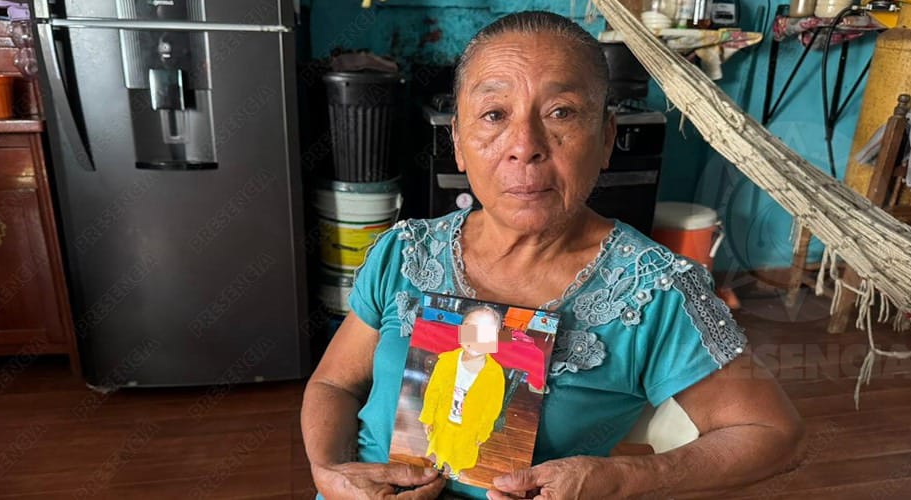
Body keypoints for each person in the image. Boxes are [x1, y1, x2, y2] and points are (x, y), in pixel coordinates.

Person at [303, 10, 803, 500]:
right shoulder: (405, 253)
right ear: (457, 142)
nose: (525, 146)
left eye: (561, 112)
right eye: (494, 115)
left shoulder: (655, 291)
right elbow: (333, 384)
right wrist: (329, 472)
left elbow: (774, 434)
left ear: (606, 139)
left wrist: (623, 479)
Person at [419, 306, 506, 481]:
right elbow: (433, 392)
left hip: (469, 427)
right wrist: (428, 417)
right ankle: (439, 463)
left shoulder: (495, 374)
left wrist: (483, 432)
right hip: (443, 420)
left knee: (461, 452)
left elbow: (492, 408)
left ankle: (455, 469)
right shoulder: (446, 361)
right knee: (441, 445)